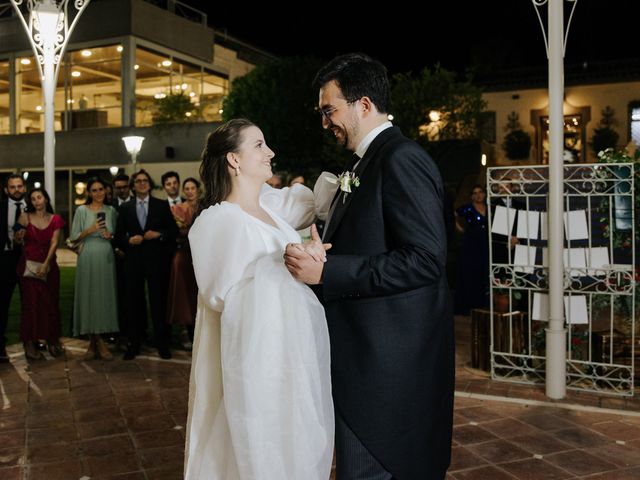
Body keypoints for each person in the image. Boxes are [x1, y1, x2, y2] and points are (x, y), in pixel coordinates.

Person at [284, 53, 454, 480]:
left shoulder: (400, 159)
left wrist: (329, 273)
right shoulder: (364, 163)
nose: (325, 123)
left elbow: (426, 259)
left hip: (388, 372)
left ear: (362, 104)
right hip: (365, 361)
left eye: (330, 110)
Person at [185, 119, 334, 479]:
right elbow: (223, 297)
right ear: (234, 160)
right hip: (254, 362)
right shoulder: (217, 222)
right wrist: (284, 263)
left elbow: (315, 204)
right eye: (259, 145)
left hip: (292, 354)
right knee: (259, 447)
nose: (270, 152)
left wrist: (308, 257)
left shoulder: (272, 208)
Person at [115, 169, 177, 360]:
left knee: (158, 302)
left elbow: (173, 231)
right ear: (133, 186)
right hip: (133, 261)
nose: (142, 184)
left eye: (145, 181)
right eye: (138, 181)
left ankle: (162, 343)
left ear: (149, 184)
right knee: (134, 303)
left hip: (156, 261)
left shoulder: (161, 205)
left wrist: (159, 234)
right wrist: (128, 241)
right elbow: (118, 237)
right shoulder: (125, 208)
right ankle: (134, 343)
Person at [69, 177, 119, 360]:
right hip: (88, 254)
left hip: (105, 255)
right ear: (89, 193)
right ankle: (98, 343)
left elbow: (114, 234)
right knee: (89, 295)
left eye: (101, 189)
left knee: (103, 296)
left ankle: (94, 343)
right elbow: (74, 236)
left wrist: (109, 235)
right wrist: (89, 230)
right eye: (95, 190)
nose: (99, 193)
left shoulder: (111, 210)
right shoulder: (81, 210)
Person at [15, 188, 65, 360]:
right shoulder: (25, 217)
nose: (37, 201)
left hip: (49, 267)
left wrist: (46, 264)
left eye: (40, 197)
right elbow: (17, 238)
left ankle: (52, 340)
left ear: (46, 199)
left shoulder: (55, 219)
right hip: (28, 267)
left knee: (50, 303)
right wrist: (18, 237)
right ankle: (29, 343)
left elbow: (54, 242)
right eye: (33, 198)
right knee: (31, 305)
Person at [166, 177, 200, 344]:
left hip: (202, 257)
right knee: (185, 295)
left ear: (197, 189)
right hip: (184, 255)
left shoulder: (206, 207)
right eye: (186, 188)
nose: (189, 191)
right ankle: (188, 332)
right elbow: (176, 232)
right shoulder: (177, 209)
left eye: (192, 187)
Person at [0, 174, 27, 363]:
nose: (16, 189)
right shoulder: (1, 208)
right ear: (6, 190)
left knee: (32, 301)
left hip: (28, 259)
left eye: (19, 186)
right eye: (12, 187)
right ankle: (0, 346)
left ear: (24, 188)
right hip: (5, 260)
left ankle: (33, 341)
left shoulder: (34, 206)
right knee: (2, 304)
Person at [454, 184, 489, 315]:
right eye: (474, 193)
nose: (478, 195)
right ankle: (468, 304)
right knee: (470, 272)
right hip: (470, 243)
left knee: (483, 271)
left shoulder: (489, 207)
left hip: (485, 242)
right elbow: (453, 215)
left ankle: (481, 303)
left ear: (485, 194)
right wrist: (460, 229)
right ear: (471, 196)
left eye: (480, 192)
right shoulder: (468, 208)